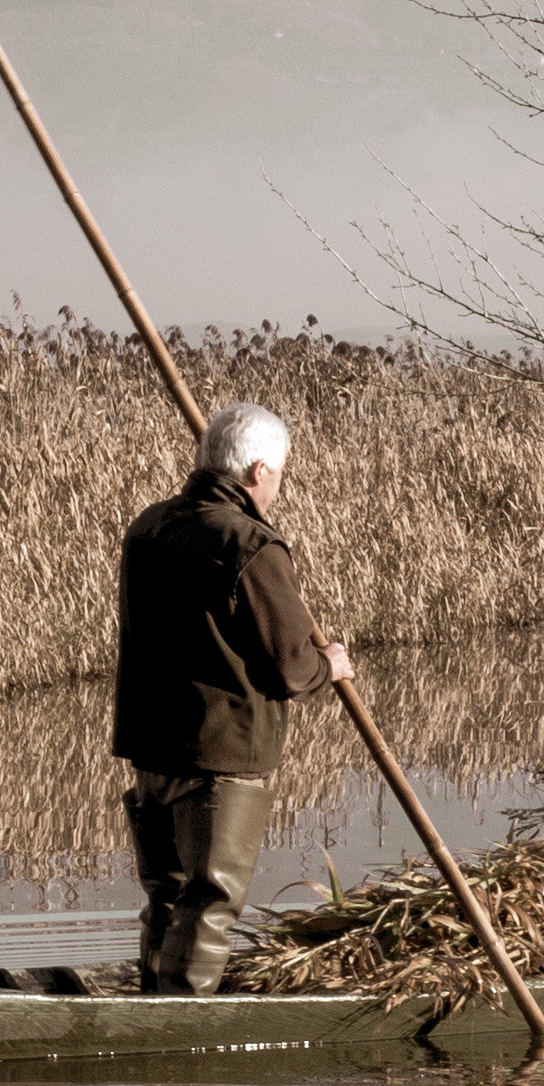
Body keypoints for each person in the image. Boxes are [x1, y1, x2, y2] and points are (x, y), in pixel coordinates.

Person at [113, 400, 352, 992]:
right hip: (222, 754)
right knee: (212, 900)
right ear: (258, 471)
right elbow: (292, 671)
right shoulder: (250, 545)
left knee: (166, 895)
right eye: (281, 473)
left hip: (152, 745)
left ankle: (152, 999)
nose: (279, 486)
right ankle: (182, 1027)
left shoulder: (149, 526)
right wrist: (332, 664)